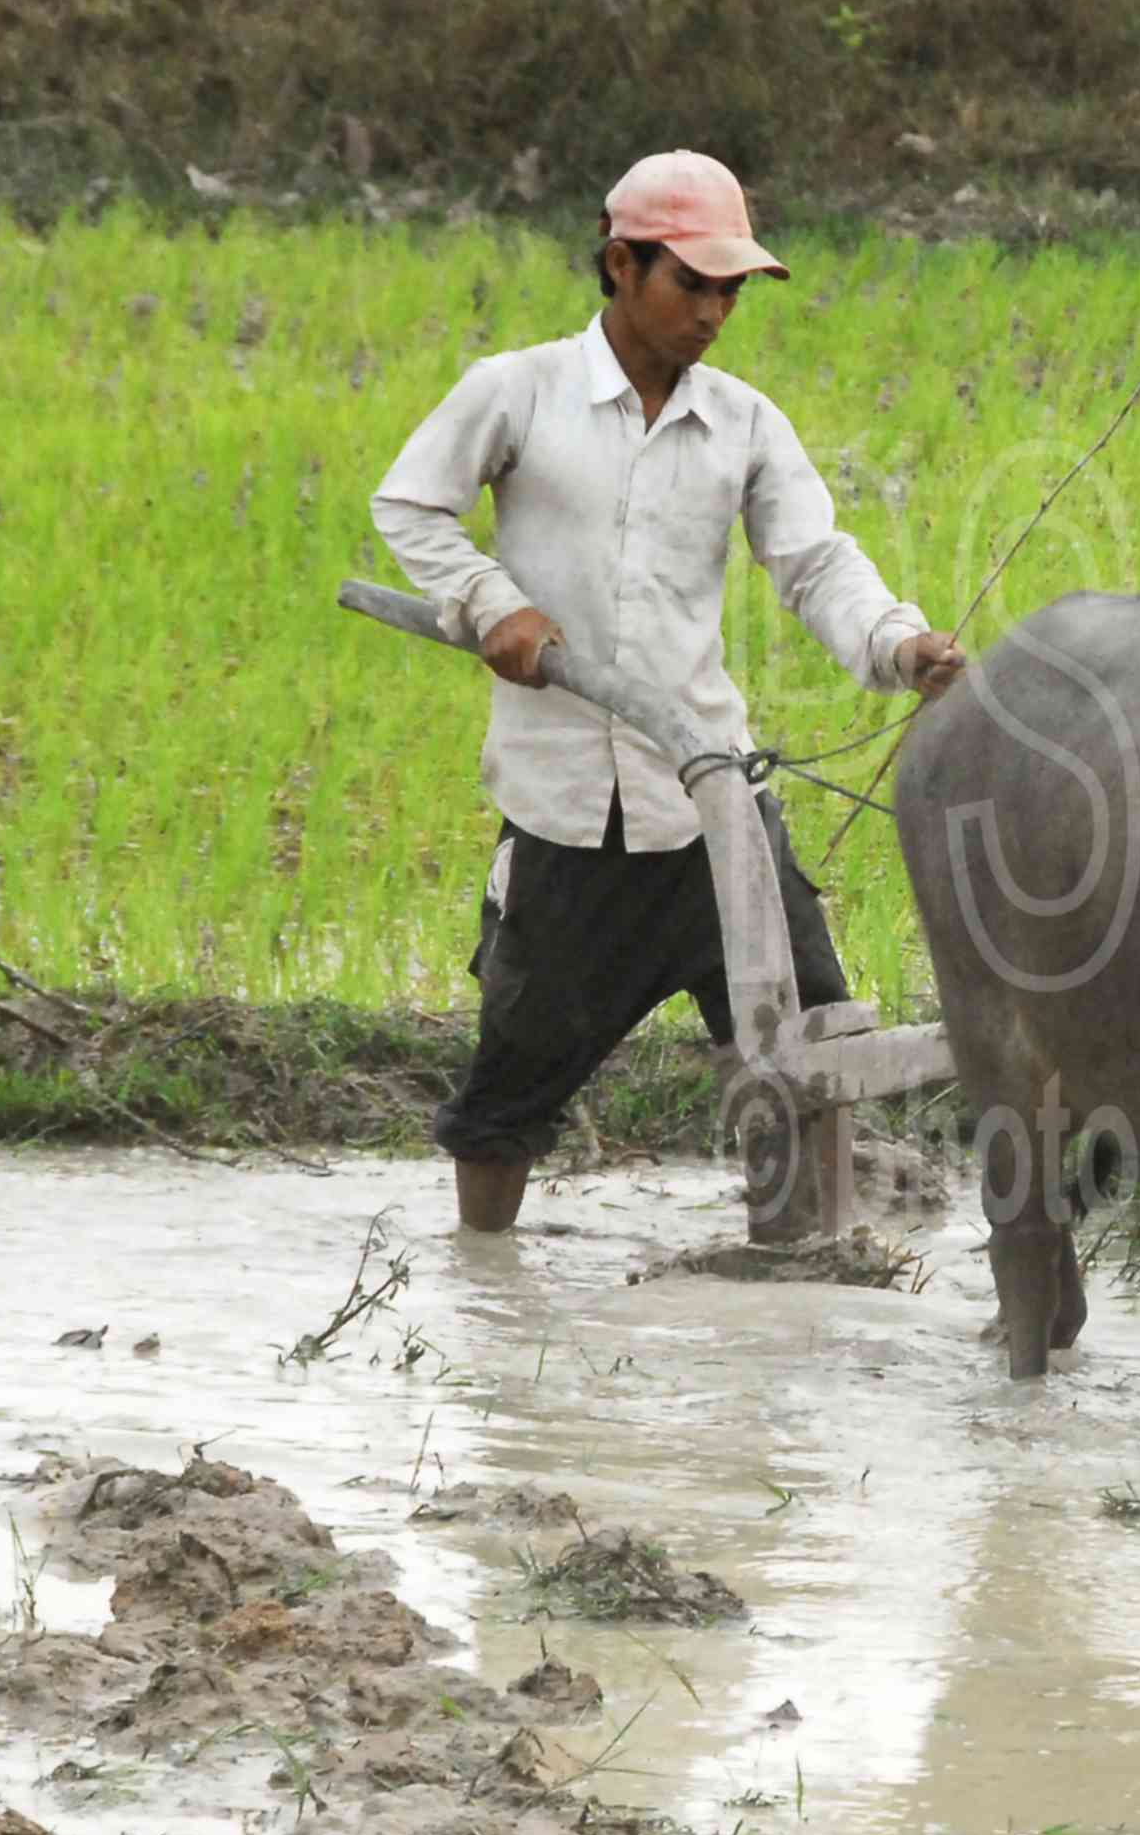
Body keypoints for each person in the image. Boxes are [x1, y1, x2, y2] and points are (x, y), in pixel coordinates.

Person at [371, 148, 963, 1233]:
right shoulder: (520, 392)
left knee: (812, 1050)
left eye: (730, 288)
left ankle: (799, 1277)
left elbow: (816, 561)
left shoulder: (742, 422)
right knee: (510, 1091)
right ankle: (486, 1284)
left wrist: (900, 645)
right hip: (565, 819)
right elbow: (411, 506)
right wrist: (488, 601)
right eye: (691, 282)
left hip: (713, 807)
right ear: (619, 264)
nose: (714, 310)